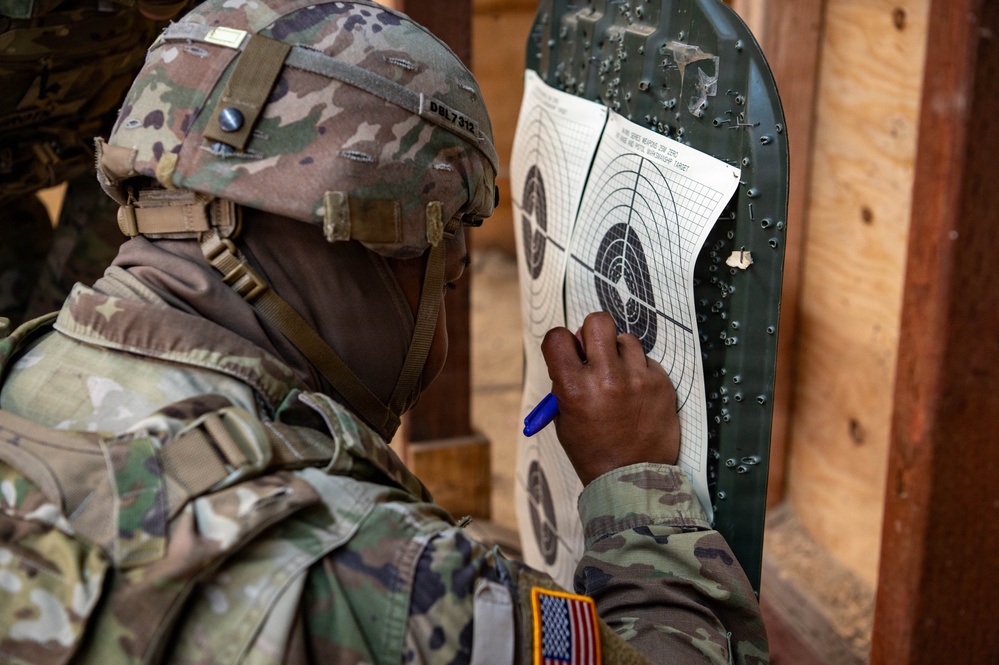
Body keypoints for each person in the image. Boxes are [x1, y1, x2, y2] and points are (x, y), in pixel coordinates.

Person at [0, 2, 768, 663]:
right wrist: (633, 481)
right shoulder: (386, 575)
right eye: (448, 278)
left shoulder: (17, 367)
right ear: (377, 247)